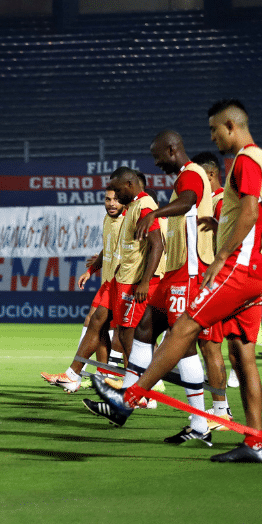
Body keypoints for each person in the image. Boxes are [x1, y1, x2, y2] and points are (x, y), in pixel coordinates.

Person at [89, 99, 262, 463]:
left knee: (184, 330)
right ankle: (253, 443)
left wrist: (222, 256)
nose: (211, 137)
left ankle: (126, 402)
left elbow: (250, 211)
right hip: (260, 268)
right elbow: (247, 212)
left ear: (230, 126)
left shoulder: (245, 160)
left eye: (213, 130)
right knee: (241, 353)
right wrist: (217, 229)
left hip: (238, 268)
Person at [130, 130, 216, 446]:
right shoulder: (181, 178)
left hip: (191, 272)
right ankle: (126, 397)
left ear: (172, 149)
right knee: (145, 325)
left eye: (158, 157)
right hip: (176, 272)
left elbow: (190, 200)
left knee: (183, 345)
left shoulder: (191, 175)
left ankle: (200, 424)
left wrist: (154, 212)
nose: (156, 164)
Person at [41, 187, 125, 392]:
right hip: (110, 281)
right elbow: (109, 249)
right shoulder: (109, 220)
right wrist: (92, 269)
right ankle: (101, 376)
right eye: (107, 199)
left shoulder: (128, 220)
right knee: (98, 323)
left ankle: (135, 386)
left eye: (116, 200)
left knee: (124, 331)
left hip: (124, 282)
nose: (111, 203)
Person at [91, 166, 165, 389]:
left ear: (129, 186)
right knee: (123, 335)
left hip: (137, 282)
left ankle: (143, 388)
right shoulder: (133, 207)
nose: (115, 196)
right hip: (126, 278)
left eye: (117, 190)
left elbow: (157, 244)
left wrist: (144, 281)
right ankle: (134, 385)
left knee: (130, 334)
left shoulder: (144, 206)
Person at [190, 150, 233, 428]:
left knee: (210, 346)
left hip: (213, 285)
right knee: (202, 346)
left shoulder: (220, 203)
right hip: (202, 282)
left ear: (209, 174)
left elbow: (226, 244)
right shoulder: (208, 203)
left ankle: (222, 411)